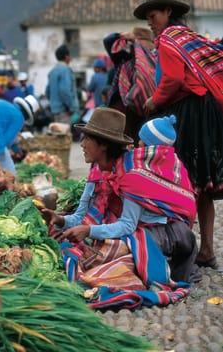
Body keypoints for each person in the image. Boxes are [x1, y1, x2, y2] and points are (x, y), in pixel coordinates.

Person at [42, 108, 200, 310]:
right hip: (128, 229)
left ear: (104, 145)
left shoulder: (131, 176)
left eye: (87, 139)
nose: (81, 145)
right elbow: (81, 217)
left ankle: (151, 270)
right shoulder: (97, 173)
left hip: (161, 233)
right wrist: (59, 220)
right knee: (61, 236)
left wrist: (89, 231)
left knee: (109, 256)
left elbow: (127, 225)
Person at [134, 0, 223, 269]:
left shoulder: (168, 41)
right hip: (205, 112)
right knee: (201, 183)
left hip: (189, 113)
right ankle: (205, 249)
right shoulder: (187, 37)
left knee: (183, 179)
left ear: (168, 12)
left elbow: (172, 81)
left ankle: (181, 248)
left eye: (154, 14)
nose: (150, 20)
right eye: (147, 16)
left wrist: (153, 100)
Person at [103, 27, 156, 143]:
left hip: (148, 113)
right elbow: (108, 41)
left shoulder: (154, 62)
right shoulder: (124, 60)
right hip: (126, 114)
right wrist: (120, 35)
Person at [45, 44, 79, 125]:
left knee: (58, 135)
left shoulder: (52, 71)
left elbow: (47, 91)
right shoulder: (65, 70)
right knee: (65, 136)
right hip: (65, 111)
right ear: (66, 56)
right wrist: (71, 107)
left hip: (55, 111)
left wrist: (54, 103)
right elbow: (65, 90)